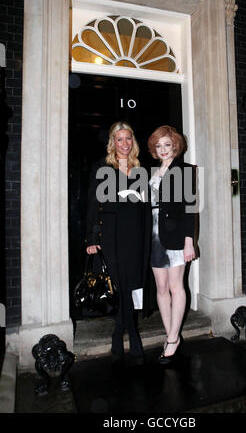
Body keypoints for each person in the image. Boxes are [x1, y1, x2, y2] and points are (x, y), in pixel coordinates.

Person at [85, 121, 151, 366]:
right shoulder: (102, 167)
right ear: (112, 142)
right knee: (120, 284)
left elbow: (145, 207)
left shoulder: (140, 169)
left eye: (128, 138)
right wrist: (92, 239)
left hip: (136, 234)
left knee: (132, 283)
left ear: (133, 141)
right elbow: (93, 204)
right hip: (111, 234)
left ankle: (119, 332)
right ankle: (132, 335)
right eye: (119, 139)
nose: (124, 144)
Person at [148, 125, 196, 365]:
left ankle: (173, 337)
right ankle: (172, 336)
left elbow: (190, 209)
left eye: (167, 144)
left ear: (175, 146)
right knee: (161, 287)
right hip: (154, 236)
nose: (163, 149)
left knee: (177, 287)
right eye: (158, 146)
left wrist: (189, 242)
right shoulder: (150, 173)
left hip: (176, 237)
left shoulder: (185, 171)